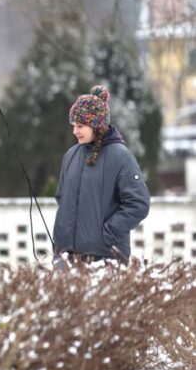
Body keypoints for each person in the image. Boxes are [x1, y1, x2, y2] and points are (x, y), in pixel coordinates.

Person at [52, 85, 150, 266]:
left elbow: (138, 204)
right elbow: (62, 198)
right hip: (66, 259)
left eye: (80, 126)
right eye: (74, 126)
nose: (75, 131)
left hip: (105, 259)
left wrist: (106, 235)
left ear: (96, 125)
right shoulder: (71, 155)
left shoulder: (121, 156)